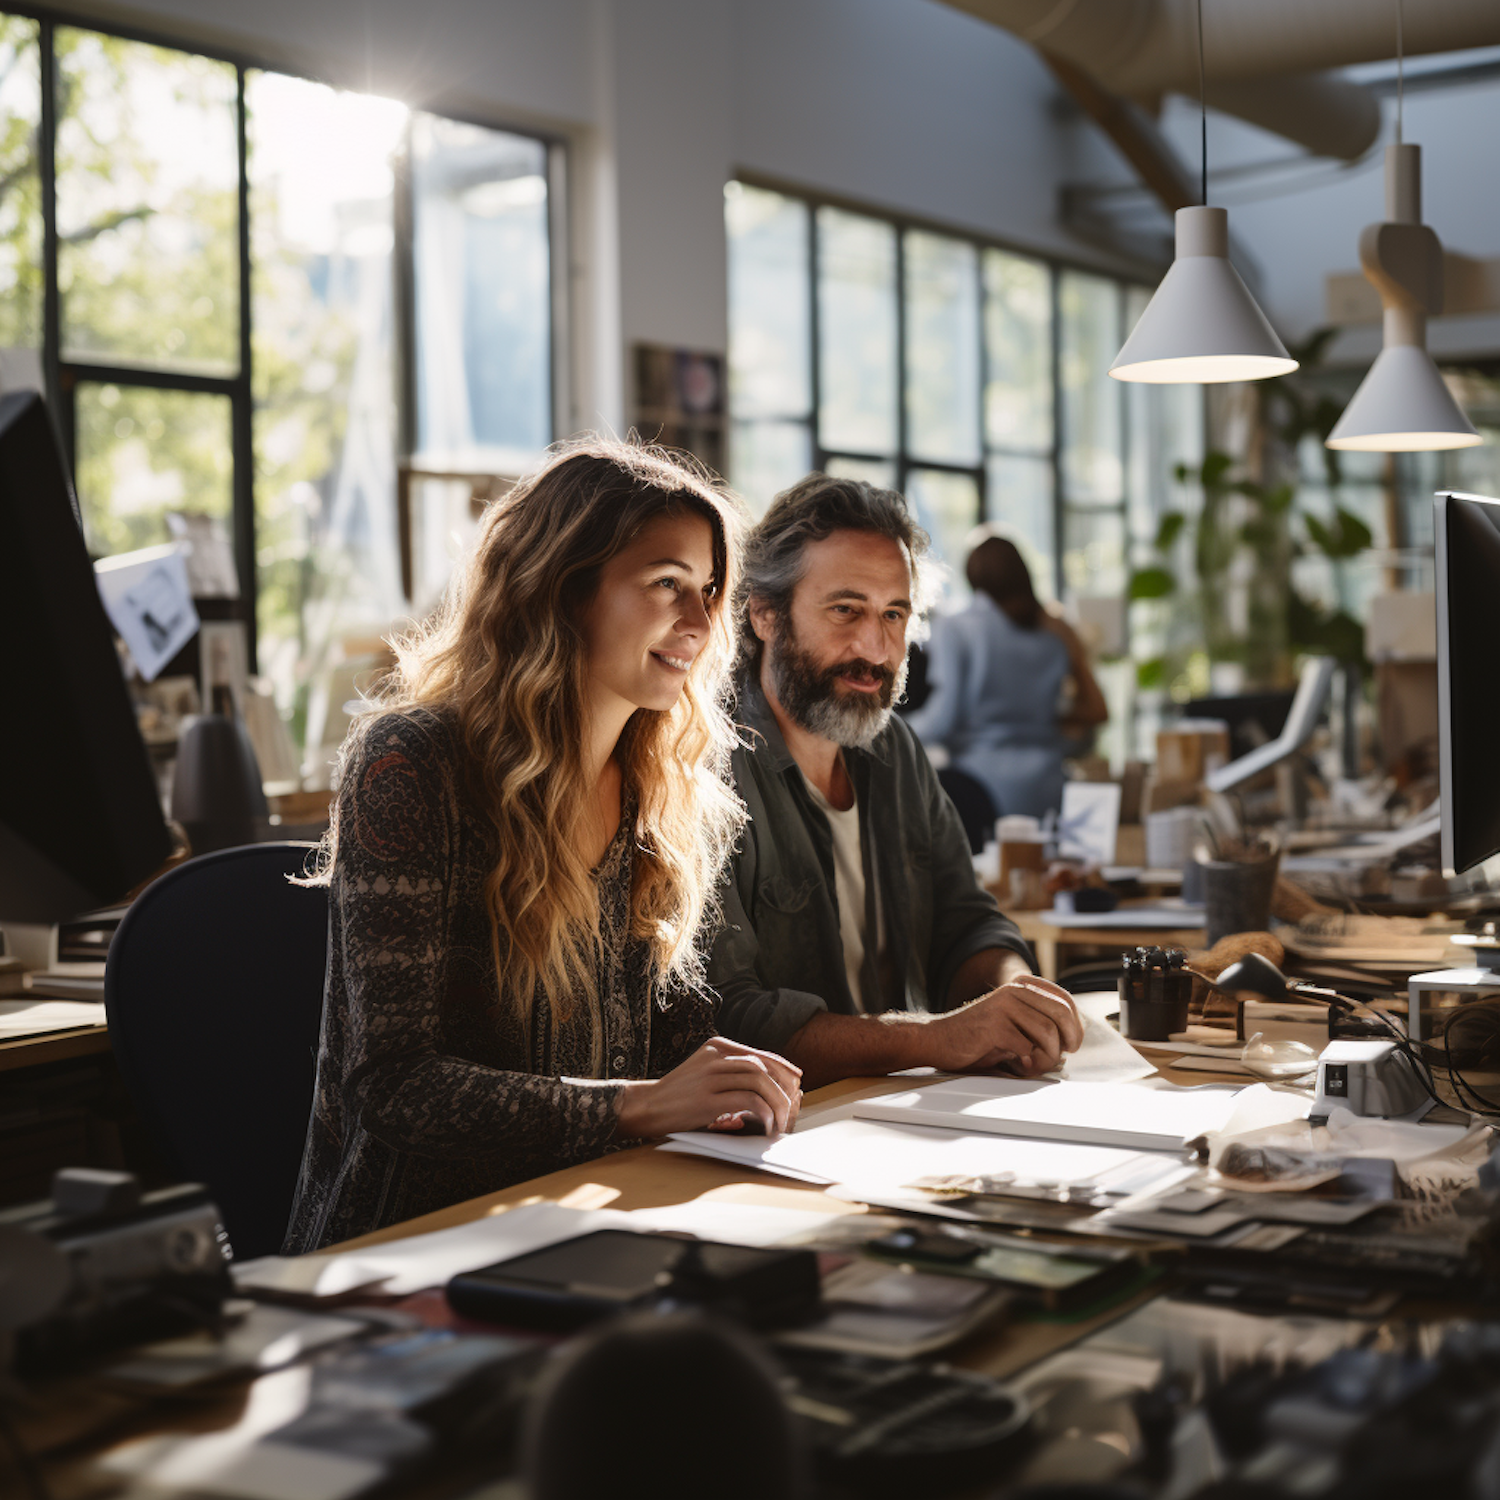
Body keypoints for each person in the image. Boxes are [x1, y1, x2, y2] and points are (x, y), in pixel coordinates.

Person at [284, 441, 802, 1253]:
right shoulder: (410, 763)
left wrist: (723, 1080)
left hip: (587, 1214)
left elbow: (662, 1045)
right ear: (564, 588)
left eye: (708, 592)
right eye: (667, 585)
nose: (702, 625)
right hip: (411, 1248)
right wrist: (639, 1104)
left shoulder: (654, 789)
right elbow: (394, 1087)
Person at [707, 474, 1083, 1091]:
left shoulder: (893, 748)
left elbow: (967, 925)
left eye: (894, 614)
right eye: (845, 610)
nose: (876, 649)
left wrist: (1015, 996)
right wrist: (939, 1039)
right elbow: (729, 1017)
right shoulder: (707, 767)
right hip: (779, 1133)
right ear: (765, 614)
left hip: (903, 1111)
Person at [905, 529, 1109, 821]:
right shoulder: (1056, 635)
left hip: (981, 790)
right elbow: (1087, 715)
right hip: (1051, 788)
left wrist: (886, 730)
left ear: (971, 576)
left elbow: (942, 721)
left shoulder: (955, 628)